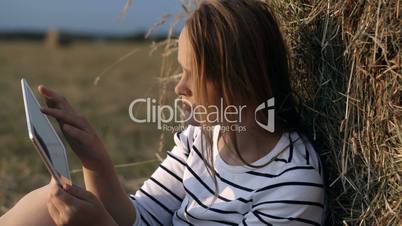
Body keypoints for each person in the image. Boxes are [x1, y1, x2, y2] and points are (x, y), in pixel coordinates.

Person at [0, 0, 325, 225]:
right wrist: (95, 161)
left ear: (238, 79)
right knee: (51, 200)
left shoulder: (291, 183)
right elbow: (142, 218)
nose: (179, 87)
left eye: (191, 73)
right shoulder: (201, 139)